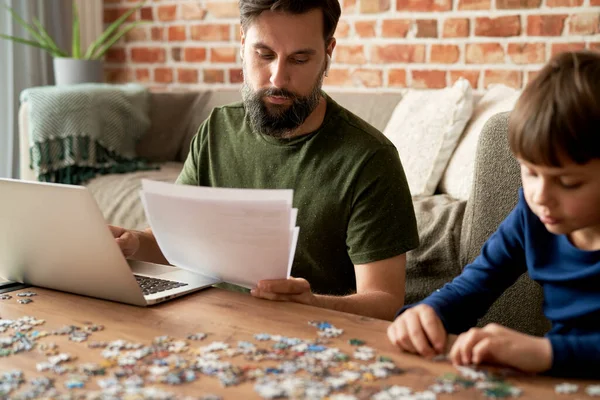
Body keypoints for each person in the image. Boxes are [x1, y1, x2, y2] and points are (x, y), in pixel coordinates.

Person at [110, 0, 419, 321]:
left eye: (300, 59)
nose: (277, 78)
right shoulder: (217, 128)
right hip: (211, 323)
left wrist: (314, 304)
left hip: (312, 336)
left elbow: (385, 301)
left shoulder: (370, 157)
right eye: (265, 55)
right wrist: (132, 244)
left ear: (328, 52)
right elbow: (175, 245)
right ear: (243, 43)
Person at [387, 50, 600, 378]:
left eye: (568, 182)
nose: (540, 197)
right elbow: (473, 287)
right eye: (529, 172)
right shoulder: (532, 216)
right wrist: (428, 312)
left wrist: (543, 352)